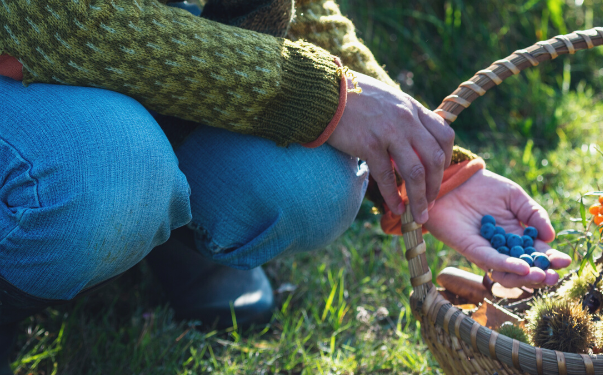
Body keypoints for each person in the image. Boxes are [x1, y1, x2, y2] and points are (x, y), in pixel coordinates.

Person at [0, 0, 571, 372]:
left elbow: (299, 10)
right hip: (23, 58)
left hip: (156, 73)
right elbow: (46, 20)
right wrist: (324, 96)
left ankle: (164, 231)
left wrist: (431, 170)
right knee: (110, 176)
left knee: (314, 183)